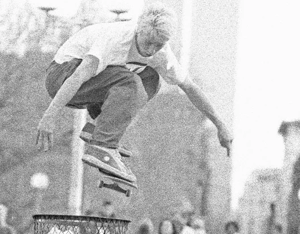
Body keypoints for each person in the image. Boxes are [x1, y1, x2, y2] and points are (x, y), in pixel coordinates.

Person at [36, 3, 233, 182]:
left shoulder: (161, 55)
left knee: (151, 79)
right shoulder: (116, 38)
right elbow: (78, 77)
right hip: (61, 76)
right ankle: (103, 145)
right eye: (148, 42)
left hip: (89, 87)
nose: (150, 50)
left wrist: (220, 125)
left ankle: (98, 129)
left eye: (158, 45)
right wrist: (49, 116)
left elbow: (190, 88)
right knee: (130, 81)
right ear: (138, 30)